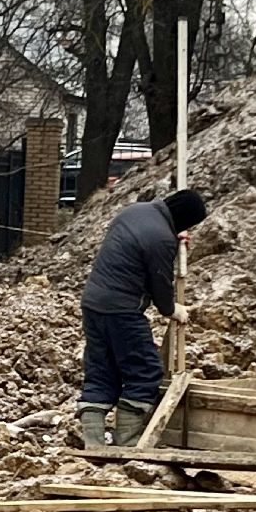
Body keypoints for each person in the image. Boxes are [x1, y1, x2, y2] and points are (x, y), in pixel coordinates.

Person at [77, 189, 208, 448]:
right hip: (122, 310)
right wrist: (173, 309)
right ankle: (127, 442)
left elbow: (141, 241)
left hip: (93, 303)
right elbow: (160, 285)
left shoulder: (136, 211)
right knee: (144, 371)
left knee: (101, 372)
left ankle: (93, 443)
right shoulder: (161, 239)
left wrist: (171, 235)